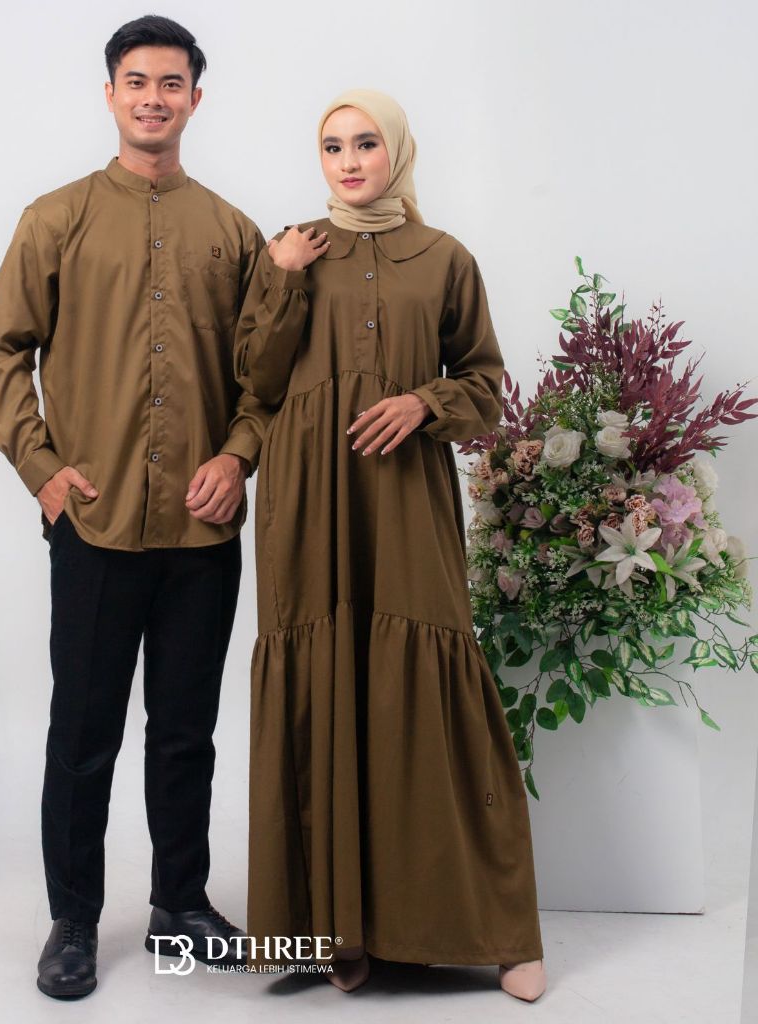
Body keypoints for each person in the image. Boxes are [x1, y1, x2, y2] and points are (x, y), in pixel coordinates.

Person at [0, 15, 269, 1001]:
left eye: (171, 82)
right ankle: (73, 921)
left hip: (200, 528)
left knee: (185, 732)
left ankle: (180, 906)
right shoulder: (55, 219)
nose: (153, 97)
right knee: (84, 731)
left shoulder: (232, 232)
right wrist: (43, 469)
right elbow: (0, 353)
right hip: (93, 525)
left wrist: (237, 454)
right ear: (109, 94)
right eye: (136, 81)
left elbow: (264, 375)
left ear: (195, 98)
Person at [233, 89, 547, 1001]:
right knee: (323, 683)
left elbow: (485, 383)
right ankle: (340, 927)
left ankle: (497, 929)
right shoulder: (291, 248)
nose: (349, 162)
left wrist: (423, 402)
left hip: (406, 494)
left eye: (366, 143)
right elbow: (255, 377)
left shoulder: (445, 258)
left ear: (397, 151)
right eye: (332, 147)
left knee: (429, 680)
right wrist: (283, 277)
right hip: (307, 498)